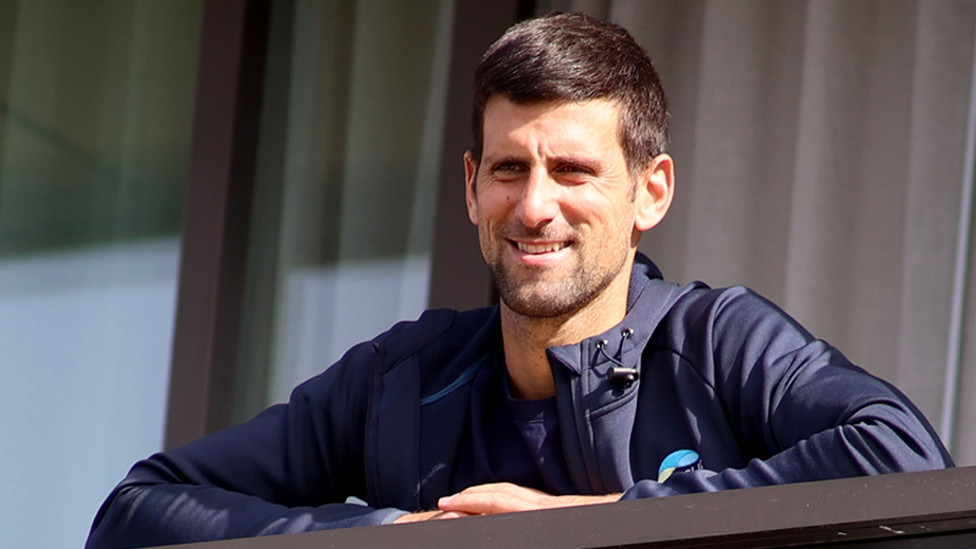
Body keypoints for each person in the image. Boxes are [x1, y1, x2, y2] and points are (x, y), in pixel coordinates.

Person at [85, 12, 953, 548]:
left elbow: (902, 455)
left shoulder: (716, 342)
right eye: (508, 168)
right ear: (470, 187)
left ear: (650, 192)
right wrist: (398, 532)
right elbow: (138, 510)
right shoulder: (406, 377)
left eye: (573, 171)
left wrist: (594, 520)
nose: (535, 206)